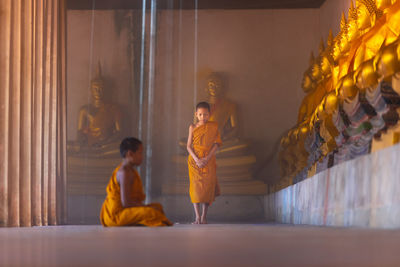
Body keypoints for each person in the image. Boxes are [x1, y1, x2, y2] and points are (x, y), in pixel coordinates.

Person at [100, 137, 172, 226]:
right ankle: (138, 222)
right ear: (130, 154)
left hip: (126, 210)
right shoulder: (124, 172)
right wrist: (144, 207)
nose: (142, 157)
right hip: (116, 215)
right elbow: (126, 203)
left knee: (158, 207)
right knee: (151, 212)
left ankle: (137, 222)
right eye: (140, 153)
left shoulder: (130, 171)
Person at [187, 102, 222, 224]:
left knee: (207, 189)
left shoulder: (214, 126)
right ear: (196, 114)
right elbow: (188, 146)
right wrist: (196, 159)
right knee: (195, 189)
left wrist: (207, 158)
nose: (203, 117)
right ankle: (197, 216)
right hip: (194, 161)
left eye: (206, 114)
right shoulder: (192, 127)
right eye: (200, 114)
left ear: (210, 114)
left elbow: (217, 144)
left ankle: (204, 216)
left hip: (209, 159)